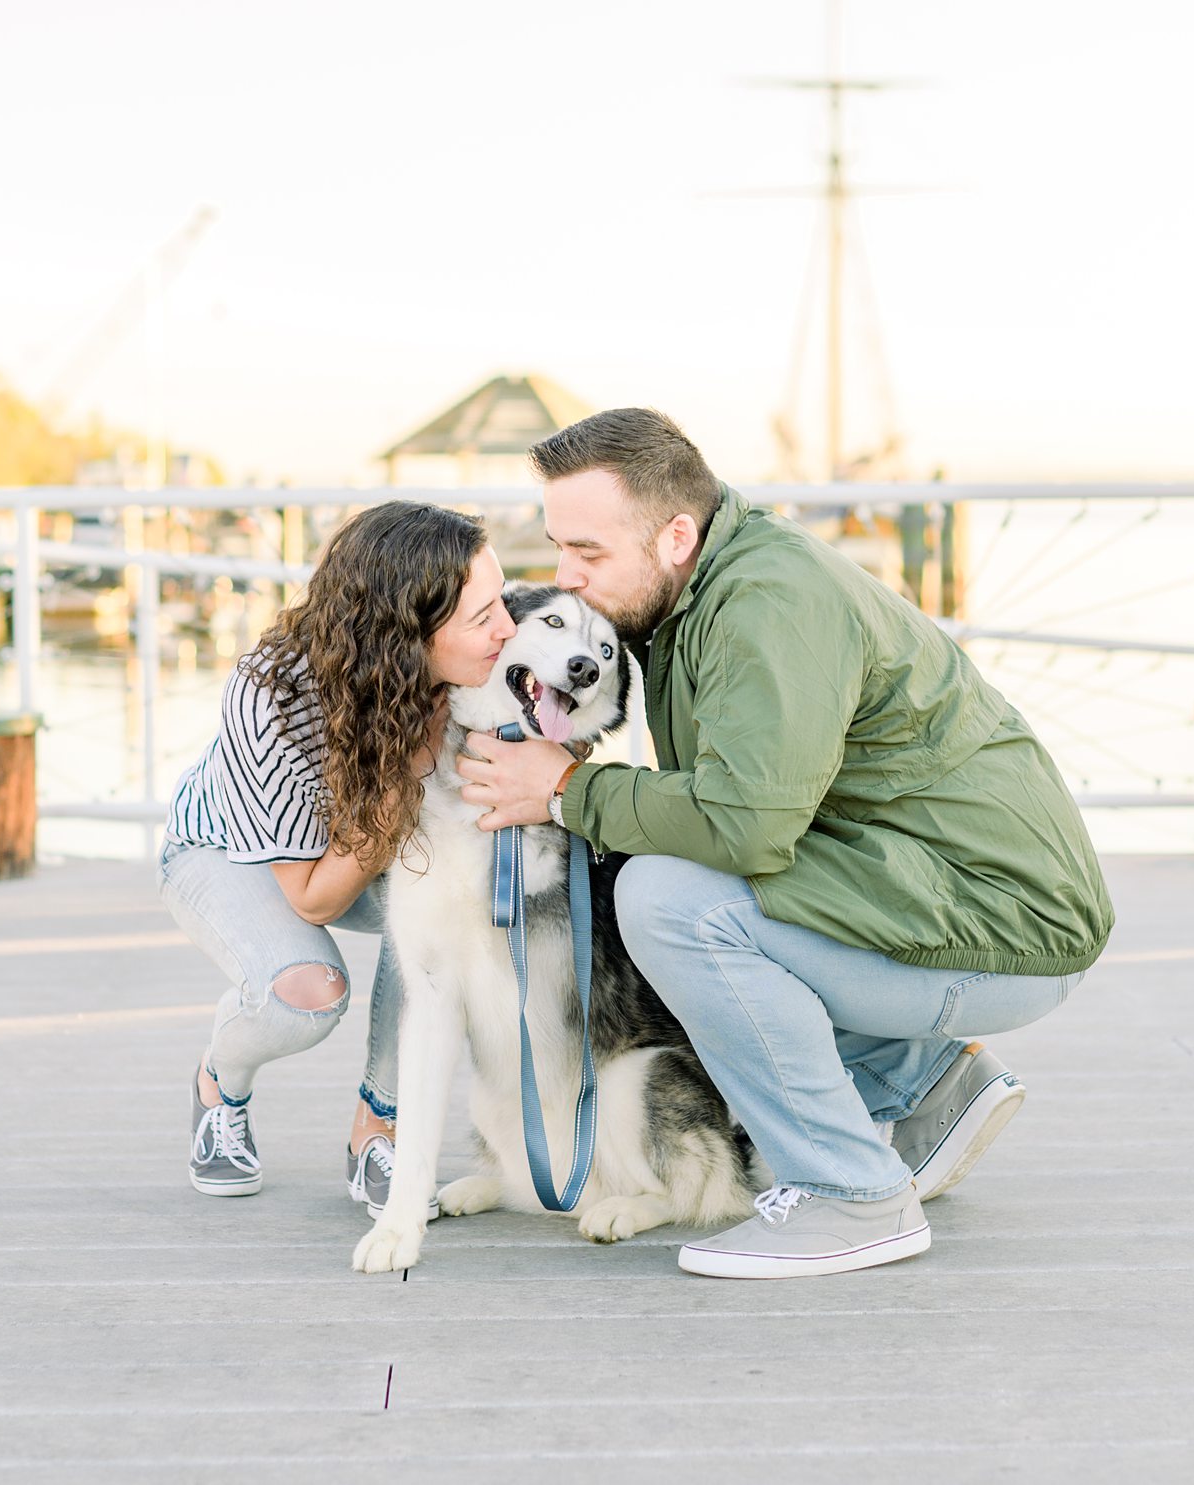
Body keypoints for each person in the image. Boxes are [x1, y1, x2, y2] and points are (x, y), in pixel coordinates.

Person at [459, 408, 1113, 1279]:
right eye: (558, 548)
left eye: (588, 553)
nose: (566, 579)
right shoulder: (704, 588)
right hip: (943, 891)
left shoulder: (767, 604)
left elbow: (745, 826)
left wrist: (567, 789)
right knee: (666, 881)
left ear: (676, 534)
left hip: (1005, 927)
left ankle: (850, 1193)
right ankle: (927, 1085)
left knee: (666, 904)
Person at [161, 500, 516, 1213]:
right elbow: (314, 897)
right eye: (483, 617)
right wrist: (408, 772)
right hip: (232, 851)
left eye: (501, 601)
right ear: (405, 633)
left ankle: (377, 1128)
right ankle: (218, 1083)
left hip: (360, 845)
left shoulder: (467, 672)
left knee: (452, 915)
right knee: (307, 994)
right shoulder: (272, 695)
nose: (507, 626)